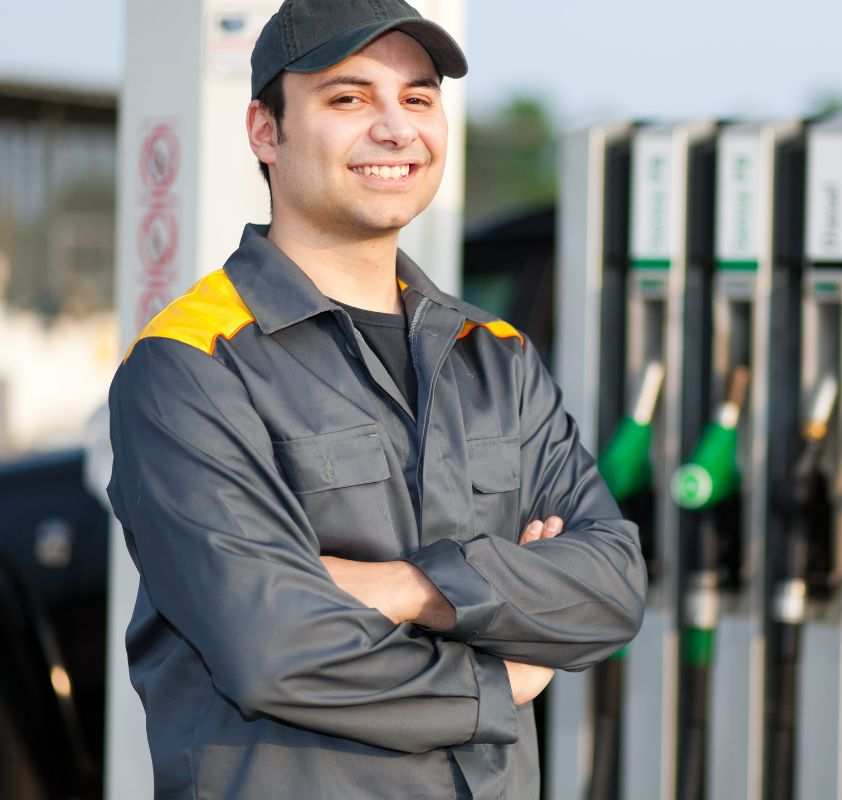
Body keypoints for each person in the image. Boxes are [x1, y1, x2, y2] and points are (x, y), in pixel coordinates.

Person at [105, 1, 647, 797]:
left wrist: (406, 588)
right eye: (349, 98)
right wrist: (502, 674)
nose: (397, 129)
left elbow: (613, 586)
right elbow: (273, 651)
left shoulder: (493, 355)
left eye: (419, 98)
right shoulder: (191, 366)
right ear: (266, 130)